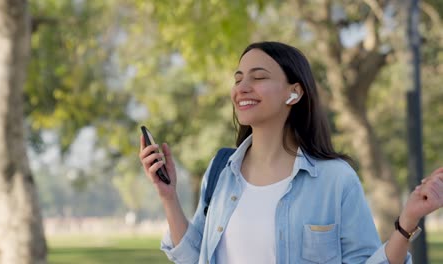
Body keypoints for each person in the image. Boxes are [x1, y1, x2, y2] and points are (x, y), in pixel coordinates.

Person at [139, 41, 443, 264]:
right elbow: (193, 258)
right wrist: (169, 197)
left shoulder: (335, 179)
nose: (242, 87)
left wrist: (407, 222)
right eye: (238, 78)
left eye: (258, 77)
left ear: (294, 92)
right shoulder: (221, 171)